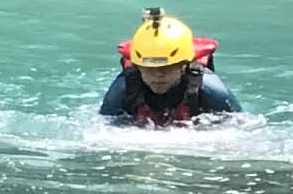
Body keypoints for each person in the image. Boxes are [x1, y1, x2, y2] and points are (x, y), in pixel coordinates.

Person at [103, 9, 240, 126]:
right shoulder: (123, 88)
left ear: (184, 65)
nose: (158, 75)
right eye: (149, 69)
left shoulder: (210, 89)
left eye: (167, 67)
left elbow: (242, 127)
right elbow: (104, 127)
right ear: (138, 67)